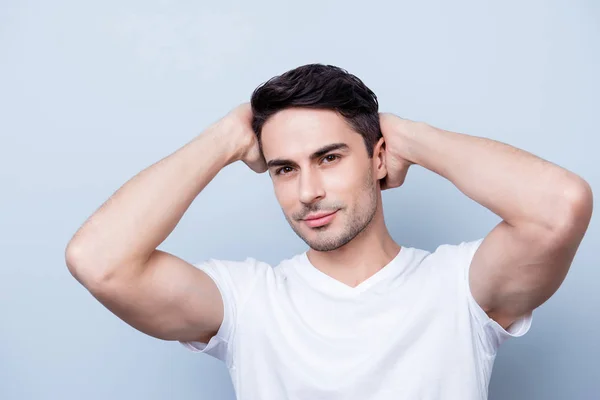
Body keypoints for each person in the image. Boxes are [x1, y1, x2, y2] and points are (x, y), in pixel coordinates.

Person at [65, 64, 593, 399]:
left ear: (378, 158)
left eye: (330, 157)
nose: (307, 191)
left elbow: (560, 207)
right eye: (284, 168)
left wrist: (408, 135)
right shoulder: (248, 302)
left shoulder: (459, 287)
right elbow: (98, 260)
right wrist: (226, 136)